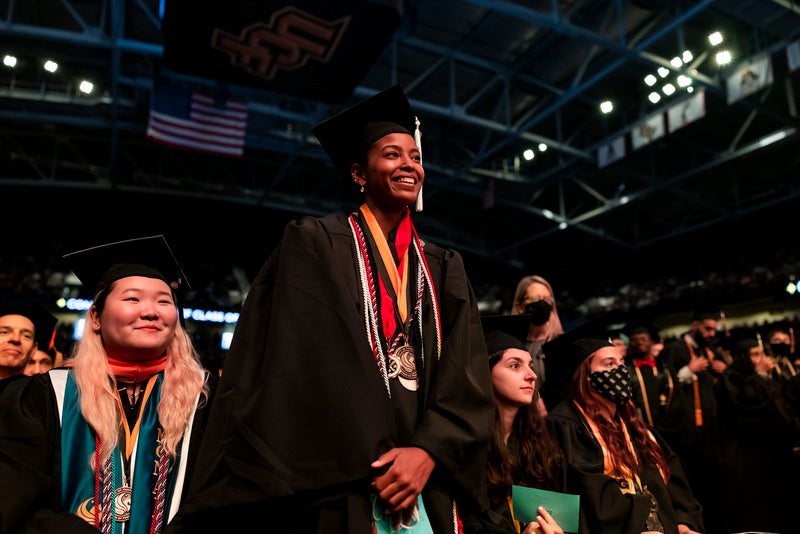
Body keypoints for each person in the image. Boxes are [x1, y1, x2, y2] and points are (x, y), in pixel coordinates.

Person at [168, 85, 494, 534]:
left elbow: (467, 372)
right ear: (359, 173)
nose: (409, 166)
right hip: (339, 482)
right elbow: (304, 364)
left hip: (427, 483)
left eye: (415, 157)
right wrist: (378, 455)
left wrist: (428, 451)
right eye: (392, 154)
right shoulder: (314, 244)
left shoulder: (443, 266)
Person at [0, 235, 215, 533]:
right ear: (96, 317)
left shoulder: (207, 400)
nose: (151, 311)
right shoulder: (43, 395)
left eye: (164, 301)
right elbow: (15, 501)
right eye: (133, 298)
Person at [545, 330, 705, 534]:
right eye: (609, 364)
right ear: (584, 375)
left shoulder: (633, 426)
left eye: (621, 363)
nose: (621, 371)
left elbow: (671, 477)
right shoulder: (566, 427)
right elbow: (590, 500)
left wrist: (684, 523)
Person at [461, 314, 568, 534]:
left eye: (530, 365)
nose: (531, 375)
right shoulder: (466, 449)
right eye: (515, 366)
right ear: (485, 373)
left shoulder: (541, 442)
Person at [713, 335, 800, 534]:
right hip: (742, 457)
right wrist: (759, 377)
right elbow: (752, 411)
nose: (760, 359)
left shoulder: (762, 378)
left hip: (768, 454)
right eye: (754, 354)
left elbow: (781, 412)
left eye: (761, 354)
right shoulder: (729, 381)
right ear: (742, 356)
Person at [510, 275, 565, 415]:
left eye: (546, 299)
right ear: (520, 306)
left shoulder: (563, 345)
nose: (542, 303)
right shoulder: (511, 347)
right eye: (534, 299)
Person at [624, 325, 677, 435]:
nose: (639, 342)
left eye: (643, 339)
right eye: (635, 340)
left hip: (668, 427)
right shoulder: (627, 370)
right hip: (641, 430)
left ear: (652, 342)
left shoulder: (664, 368)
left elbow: (674, 396)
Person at [0, 298, 56, 381]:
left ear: (33, 349)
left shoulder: (41, 393)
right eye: (4, 332)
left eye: (26, 336)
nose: (16, 339)